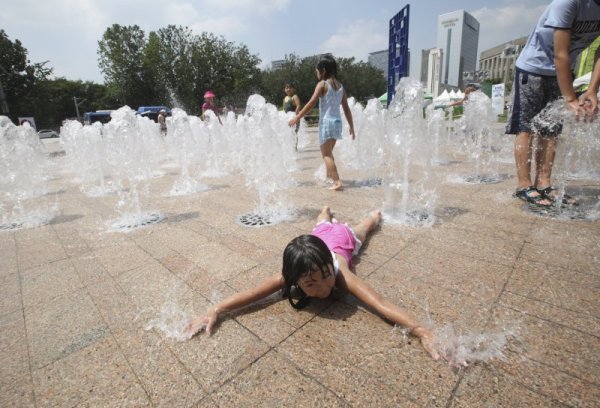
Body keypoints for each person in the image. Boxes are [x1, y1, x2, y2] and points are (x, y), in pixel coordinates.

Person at [183, 206, 441, 361]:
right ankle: (326, 211)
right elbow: (252, 294)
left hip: (341, 241)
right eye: (311, 284)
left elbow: (379, 303)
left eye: (326, 276)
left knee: (362, 230)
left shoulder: (339, 272)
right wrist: (215, 310)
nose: (325, 287)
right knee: (321, 223)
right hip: (317, 240)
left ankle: (374, 214)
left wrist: (422, 331)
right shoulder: (291, 274)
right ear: (296, 280)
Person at [506, 0, 600, 207]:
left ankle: (544, 184)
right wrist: (571, 98)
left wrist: (592, 90)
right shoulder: (569, 3)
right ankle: (524, 185)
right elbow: (560, 54)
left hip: (562, 72)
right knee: (526, 127)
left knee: (551, 129)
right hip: (532, 68)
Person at [289, 55, 355, 191]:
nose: (316, 73)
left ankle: (337, 182)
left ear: (323, 70)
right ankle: (329, 176)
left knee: (326, 155)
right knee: (329, 153)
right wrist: (351, 126)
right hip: (337, 123)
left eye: (317, 70)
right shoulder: (341, 87)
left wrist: (297, 117)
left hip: (326, 122)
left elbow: (311, 103)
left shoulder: (322, 85)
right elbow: (347, 109)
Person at [283, 83, 302, 149]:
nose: (288, 89)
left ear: (293, 89)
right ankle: (290, 147)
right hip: (287, 118)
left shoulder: (294, 96)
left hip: (294, 117)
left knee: (294, 132)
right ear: (284, 90)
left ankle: (295, 148)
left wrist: (296, 116)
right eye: (286, 88)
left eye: (290, 88)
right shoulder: (285, 98)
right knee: (288, 133)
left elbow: (298, 106)